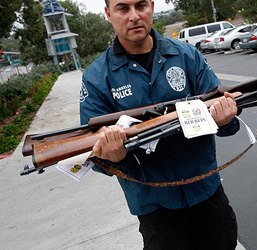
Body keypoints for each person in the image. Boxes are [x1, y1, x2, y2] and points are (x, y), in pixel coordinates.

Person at [80, 0, 239, 249]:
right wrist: (115, 156)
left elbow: (225, 116)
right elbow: (91, 152)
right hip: (155, 207)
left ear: (152, 7)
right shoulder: (96, 77)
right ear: (108, 14)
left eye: (141, 6)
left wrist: (225, 118)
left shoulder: (187, 55)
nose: (134, 16)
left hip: (207, 193)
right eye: (123, 8)